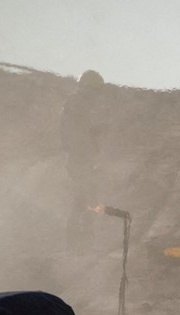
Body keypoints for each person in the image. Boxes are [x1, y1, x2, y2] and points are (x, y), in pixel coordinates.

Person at [61, 69, 106, 250]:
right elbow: (74, 134)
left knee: (86, 199)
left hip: (82, 160)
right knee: (83, 200)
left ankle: (82, 243)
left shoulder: (79, 105)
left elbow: (80, 132)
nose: (95, 97)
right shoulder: (76, 104)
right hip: (79, 160)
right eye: (95, 92)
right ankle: (77, 244)